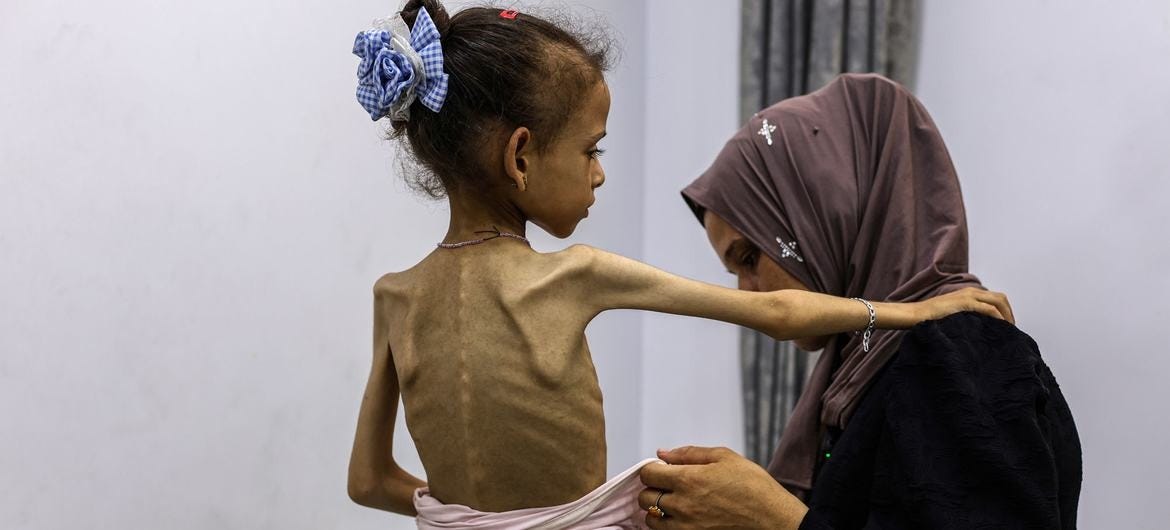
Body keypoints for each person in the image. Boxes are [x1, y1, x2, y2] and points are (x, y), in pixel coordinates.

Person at [345, 3, 1013, 527]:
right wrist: (916, 309)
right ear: (521, 157)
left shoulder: (394, 297)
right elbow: (779, 312)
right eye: (591, 150)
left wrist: (478, 516)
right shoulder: (573, 275)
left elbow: (368, 481)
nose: (600, 175)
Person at [636, 73, 1080, 529]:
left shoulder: (961, 350)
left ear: (825, 211)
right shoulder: (857, 375)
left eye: (750, 257)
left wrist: (773, 517)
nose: (747, 295)